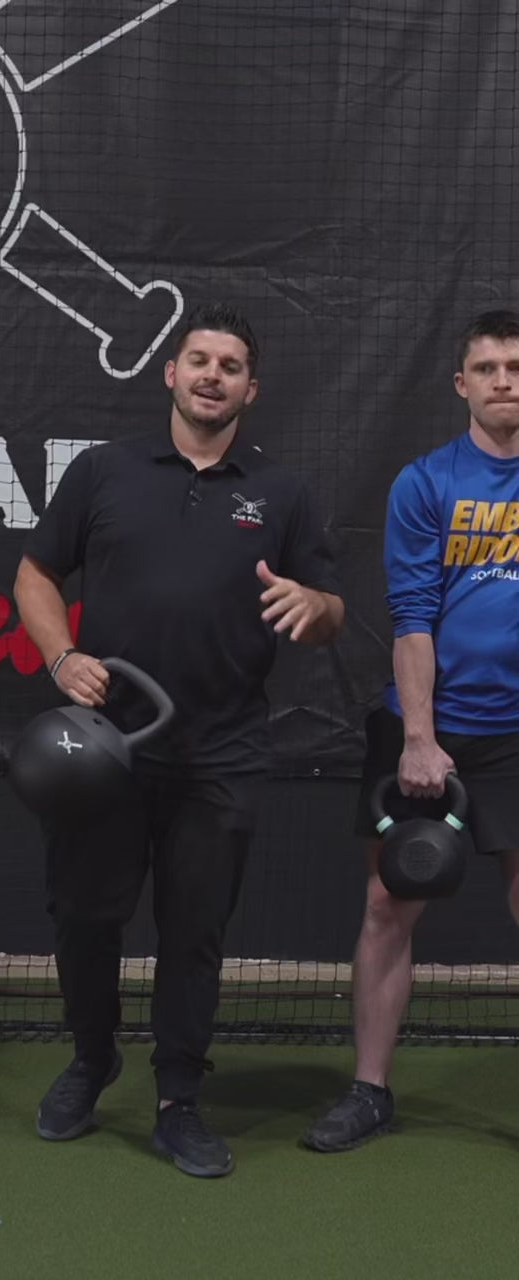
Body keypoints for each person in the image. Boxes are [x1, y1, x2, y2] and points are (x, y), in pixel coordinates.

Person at [15, 302, 344, 1177]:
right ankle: (91, 1061)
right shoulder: (103, 470)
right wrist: (62, 655)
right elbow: (36, 573)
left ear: (251, 389)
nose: (212, 376)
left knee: (195, 931)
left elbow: (331, 612)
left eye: (230, 366)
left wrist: (313, 605)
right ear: (170, 373)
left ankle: (179, 1101)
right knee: (85, 915)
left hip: (222, 753)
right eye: (199, 360)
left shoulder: (283, 493)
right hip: (105, 750)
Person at [304, 308, 519, 1153]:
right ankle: (370, 1090)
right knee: (388, 904)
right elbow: (414, 616)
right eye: (488, 368)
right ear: (461, 384)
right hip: (431, 726)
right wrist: (422, 740)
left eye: (517, 367)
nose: (505, 381)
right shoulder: (426, 483)